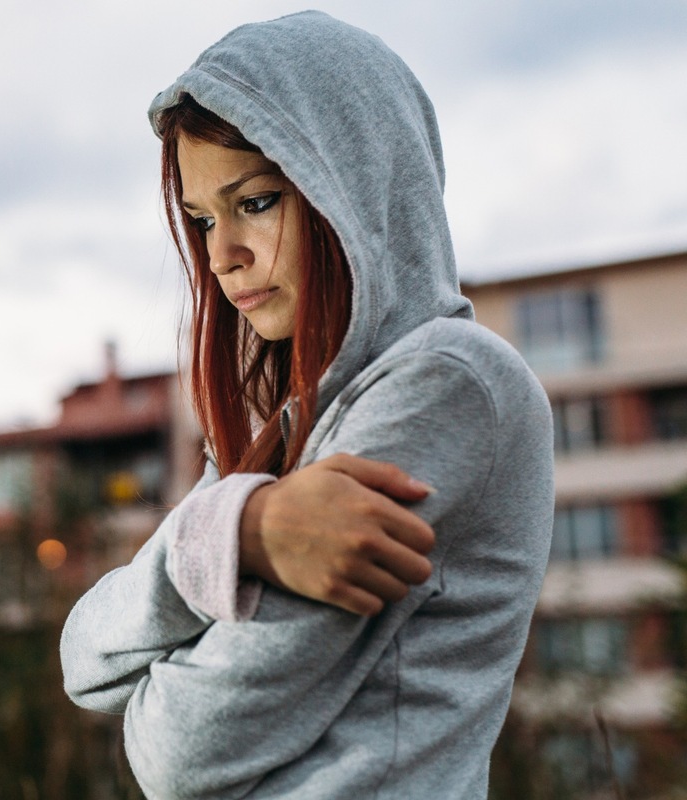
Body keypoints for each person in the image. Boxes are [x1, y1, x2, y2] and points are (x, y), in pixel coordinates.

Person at [59, 11, 554, 799]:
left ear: (354, 185)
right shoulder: (283, 430)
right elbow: (83, 658)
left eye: (254, 201)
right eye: (202, 220)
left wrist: (210, 563)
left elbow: (177, 748)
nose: (222, 255)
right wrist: (241, 532)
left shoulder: (450, 384)